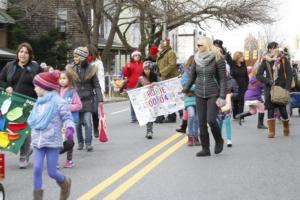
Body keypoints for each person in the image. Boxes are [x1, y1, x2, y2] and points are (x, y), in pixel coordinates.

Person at [28, 70, 74, 200]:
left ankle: (65, 184)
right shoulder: (38, 102)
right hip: (38, 140)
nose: (35, 88)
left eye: (36, 86)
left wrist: (70, 128)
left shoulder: (59, 101)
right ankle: (37, 197)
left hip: (52, 141)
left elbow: (67, 117)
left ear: (45, 87)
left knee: (52, 172)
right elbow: (33, 118)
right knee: (37, 169)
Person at [0, 42, 43, 168]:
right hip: (10, 103)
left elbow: (42, 83)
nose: (23, 54)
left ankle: (24, 155)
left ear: (30, 55)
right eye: (21, 52)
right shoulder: (10, 66)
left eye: (26, 52)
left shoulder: (35, 68)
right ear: (17, 53)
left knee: (24, 129)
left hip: (28, 104)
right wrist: (7, 86)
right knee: (6, 127)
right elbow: (1, 79)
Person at [183, 36, 226, 157]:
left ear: (207, 45)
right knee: (201, 122)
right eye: (197, 45)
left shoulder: (218, 58)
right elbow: (192, 76)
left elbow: (223, 79)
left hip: (213, 92)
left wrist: (222, 95)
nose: (198, 47)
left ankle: (219, 140)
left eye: (200, 45)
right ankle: (205, 148)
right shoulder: (196, 59)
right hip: (199, 93)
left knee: (211, 120)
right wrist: (185, 88)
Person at [256, 41, 292, 138]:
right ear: (269, 49)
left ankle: (286, 127)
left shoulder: (283, 60)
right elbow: (258, 75)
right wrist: (268, 81)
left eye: (277, 47)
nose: (276, 49)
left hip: (281, 88)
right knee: (270, 109)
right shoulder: (266, 61)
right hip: (269, 89)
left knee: (283, 110)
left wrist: (287, 88)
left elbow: (289, 74)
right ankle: (271, 132)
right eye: (274, 47)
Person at [71, 46, 103, 151]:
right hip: (75, 101)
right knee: (77, 123)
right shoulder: (71, 69)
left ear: (82, 57)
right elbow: (67, 84)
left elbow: (97, 85)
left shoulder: (91, 69)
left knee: (87, 121)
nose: (74, 58)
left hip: (88, 100)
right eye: (74, 56)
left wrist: (100, 99)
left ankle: (88, 143)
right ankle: (80, 142)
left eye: (76, 56)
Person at [58, 68, 82, 168]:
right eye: (60, 78)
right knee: (58, 140)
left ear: (69, 80)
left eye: (64, 78)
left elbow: (79, 105)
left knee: (69, 139)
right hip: (59, 120)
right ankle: (55, 161)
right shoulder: (56, 91)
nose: (62, 80)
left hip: (70, 120)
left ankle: (69, 160)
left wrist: (67, 108)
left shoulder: (73, 92)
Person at [157, 38, 178, 123]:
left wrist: (162, 72)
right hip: (163, 78)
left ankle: (172, 116)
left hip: (170, 78)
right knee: (164, 98)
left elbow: (172, 65)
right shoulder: (161, 54)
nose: (161, 45)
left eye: (162, 44)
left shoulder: (171, 53)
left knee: (170, 98)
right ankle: (163, 116)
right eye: (161, 44)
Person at [181, 55, 200, 146]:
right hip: (189, 99)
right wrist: (194, 87)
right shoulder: (186, 74)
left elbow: (202, 84)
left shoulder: (200, 73)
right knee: (191, 115)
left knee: (197, 119)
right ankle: (190, 135)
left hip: (198, 98)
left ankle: (196, 137)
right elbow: (185, 85)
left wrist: (193, 87)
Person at [217, 65, 238, 147]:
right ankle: (219, 139)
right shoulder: (217, 80)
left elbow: (236, 92)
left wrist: (231, 94)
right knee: (219, 122)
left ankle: (229, 139)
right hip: (218, 103)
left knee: (227, 121)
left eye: (225, 71)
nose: (223, 72)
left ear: (228, 71)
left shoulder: (232, 81)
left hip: (228, 103)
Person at [87, 45, 105, 138]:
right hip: (85, 89)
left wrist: (101, 91)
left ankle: (95, 127)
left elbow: (101, 77)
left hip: (95, 89)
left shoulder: (98, 63)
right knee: (86, 112)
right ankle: (88, 128)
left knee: (94, 111)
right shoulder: (84, 62)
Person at [136, 60, 158, 139]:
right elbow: (137, 89)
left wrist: (155, 84)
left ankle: (150, 131)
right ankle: (149, 131)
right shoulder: (141, 78)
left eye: (148, 69)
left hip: (153, 99)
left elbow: (161, 86)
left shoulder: (155, 76)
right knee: (147, 115)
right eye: (145, 69)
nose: (147, 71)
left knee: (151, 115)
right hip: (145, 99)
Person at [122, 49, 143, 123]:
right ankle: (133, 117)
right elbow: (125, 74)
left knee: (141, 101)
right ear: (133, 56)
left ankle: (141, 116)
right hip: (131, 85)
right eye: (135, 55)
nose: (137, 56)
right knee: (133, 102)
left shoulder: (142, 64)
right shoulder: (129, 64)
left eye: (138, 55)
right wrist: (127, 68)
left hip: (141, 85)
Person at [230, 51, 249, 119]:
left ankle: (241, 116)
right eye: (241, 56)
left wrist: (247, 84)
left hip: (243, 86)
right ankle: (235, 115)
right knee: (235, 101)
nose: (243, 58)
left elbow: (246, 75)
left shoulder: (243, 64)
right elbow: (231, 76)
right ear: (237, 57)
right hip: (235, 86)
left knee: (241, 101)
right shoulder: (233, 65)